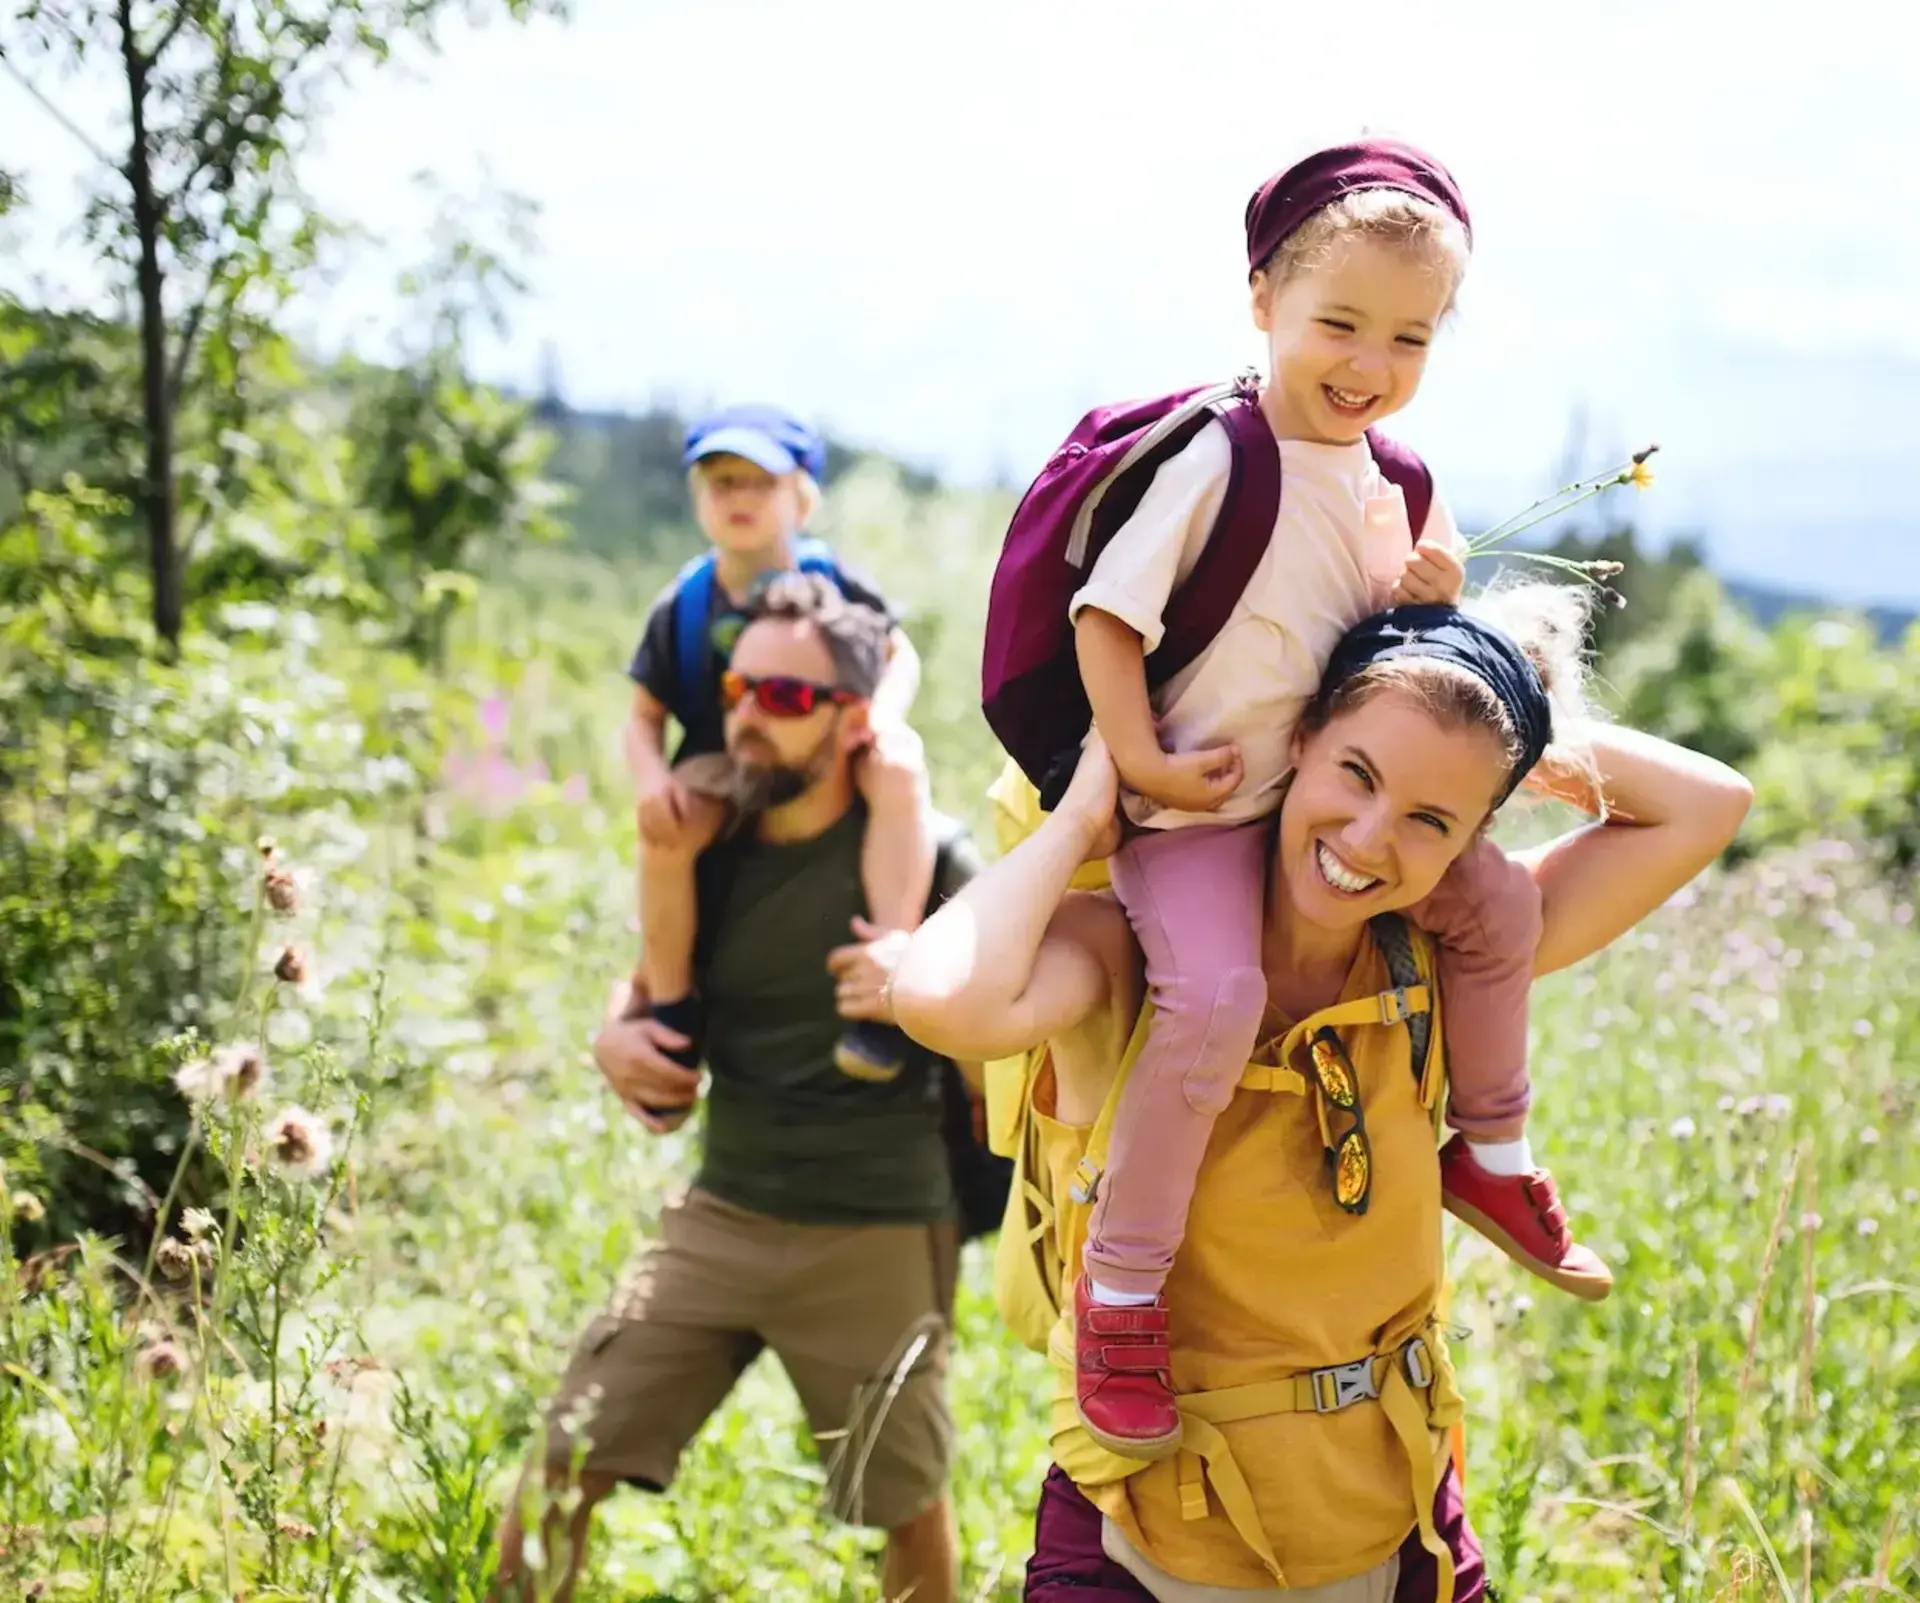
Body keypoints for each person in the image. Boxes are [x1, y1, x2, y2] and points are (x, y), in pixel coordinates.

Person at [894, 589, 1753, 1601]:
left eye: (1432, 818)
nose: (1371, 837)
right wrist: (1086, 810)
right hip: (1141, 1542)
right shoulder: (1128, 951)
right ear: (1295, 737)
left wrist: (1491, 708)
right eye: (1357, 771)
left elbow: (1710, 804)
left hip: (1398, 1535)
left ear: (1470, 836)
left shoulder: (1442, 960)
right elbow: (942, 1000)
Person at [1006, 138, 1608, 1460]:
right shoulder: (1220, 457)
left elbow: (1382, 664)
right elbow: (1109, 616)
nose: (1369, 362)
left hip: (1332, 813)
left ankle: (1489, 1149)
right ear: (1262, 300)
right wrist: (1141, 767)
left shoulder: (1399, 482)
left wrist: (1429, 595)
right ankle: (1121, 1289)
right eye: (1338, 321)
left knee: (1497, 903)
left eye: (1410, 336)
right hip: (1204, 815)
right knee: (1212, 999)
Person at [501, 575, 981, 1603]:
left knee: (905, 1505)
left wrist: (929, 996)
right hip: (723, 1213)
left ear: (855, 720)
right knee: (558, 1463)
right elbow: (645, 987)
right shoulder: (708, 845)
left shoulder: (931, 858)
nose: (750, 717)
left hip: (878, 1226)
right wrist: (609, 1039)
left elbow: (1011, 1024)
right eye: (739, 688)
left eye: (788, 698)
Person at [623, 403, 935, 1089]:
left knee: (899, 767)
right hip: (723, 756)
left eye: (759, 483)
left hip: (830, 742)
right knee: (667, 834)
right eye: (720, 482)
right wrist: (652, 780)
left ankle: (885, 972)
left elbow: (897, 653)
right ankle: (672, 1008)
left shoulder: (836, 581)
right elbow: (643, 715)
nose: (739, 499)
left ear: (802, 497)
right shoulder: (685, 603)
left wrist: (881, 714)